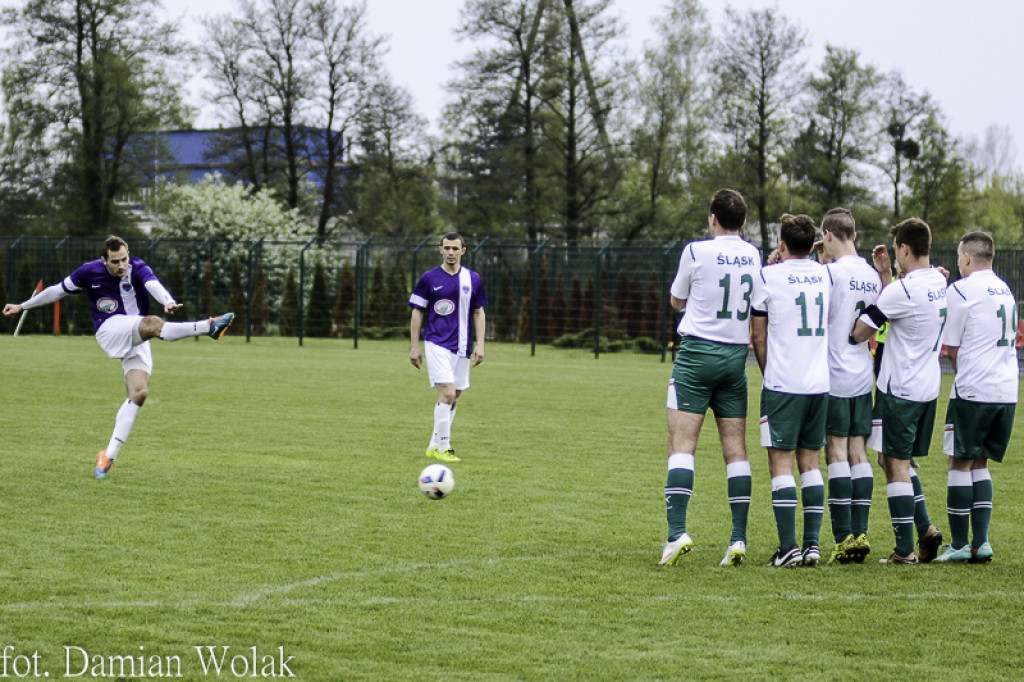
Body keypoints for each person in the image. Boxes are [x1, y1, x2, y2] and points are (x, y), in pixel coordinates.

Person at [2, 235, 234, 479]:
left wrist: (167, 300)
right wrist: (23, 306)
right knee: (155, 324)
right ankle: (208, 327)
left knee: (139, 393)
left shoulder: (137, 266)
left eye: (123, 259)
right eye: (115, 262)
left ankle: (107, 457)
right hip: (110, 329)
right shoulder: (88, 271)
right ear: (104, 260)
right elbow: (56, 291)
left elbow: (152, 284)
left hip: (137, 333)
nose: (121, 265)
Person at [660, 188, 762, 568]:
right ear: (744, 222)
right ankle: (738, 539)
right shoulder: (753, 254)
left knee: (681, 444)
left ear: (712, 218)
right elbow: (759, 304)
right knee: (735, 449)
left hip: (697, 354)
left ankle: (676, 533)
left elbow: (676, 299)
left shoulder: (695, 250)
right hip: (736, 358)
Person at [852, 218, 945, 564]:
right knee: (894, 460)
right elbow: (905, 310)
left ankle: (905, 550)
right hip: (927, 387)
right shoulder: (937, 280)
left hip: (899, 390)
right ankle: (925, 529)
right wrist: (886, 275)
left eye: (896, 251)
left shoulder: (903, 290)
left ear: (904, 249)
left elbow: (860, 332)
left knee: (895, 464)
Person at [751, 214, 830, 568]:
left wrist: (771, 375)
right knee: (811, 464)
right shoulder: (825, 275)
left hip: (783, 384)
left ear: (781, 244)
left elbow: (758, 336)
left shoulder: (767, 275)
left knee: (780, 463)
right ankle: (812, 545)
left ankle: (788, 548)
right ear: (813, 244)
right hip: (819, 384)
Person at [935, 231, 1018, 563]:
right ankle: (980, 542)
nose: (958, 263)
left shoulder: (962, 289)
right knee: (980, 462)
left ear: (968, 257)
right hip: (1007, 389)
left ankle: (957, 544)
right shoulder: (1006, 290)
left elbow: (951, 347)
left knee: (958, 462)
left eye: (958, 257)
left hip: (974, 390)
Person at [814, 208, 881, 564]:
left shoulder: (830, 274)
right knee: (859, 453)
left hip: (834, 373)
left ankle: (842, 538)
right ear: (853, 235)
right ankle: (861, 532)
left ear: (827, 235)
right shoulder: (872, 275)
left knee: (836, 452)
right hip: (861, 373)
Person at [409, 232, 487, 463]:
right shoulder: (429, 278)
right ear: (440, 250)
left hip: (463, 346)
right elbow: (417, 312)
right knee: (447, 393)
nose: (451, 253)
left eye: (455, 248)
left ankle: (433, 444)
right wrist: (414, 346)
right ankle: (444, 447)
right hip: (436, 342)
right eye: (447, 248)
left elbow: (478, 312)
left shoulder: (473, 279)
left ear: (463, 251)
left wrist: (480, 344)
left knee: (456, 395)